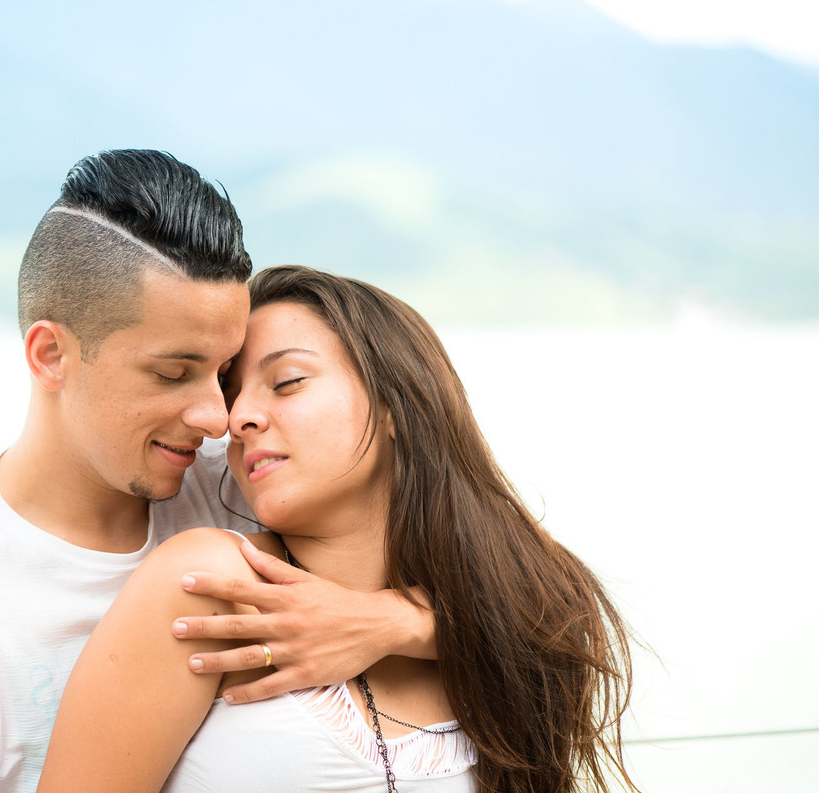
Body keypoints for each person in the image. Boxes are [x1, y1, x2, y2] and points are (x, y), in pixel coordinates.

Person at [0, 152, 438, 793]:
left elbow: (523, 583)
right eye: (171, 374)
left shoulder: (234, 486)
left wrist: (394, 622)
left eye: (223, 374)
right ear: (51, 355)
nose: (219, 418)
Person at [38, 265, 637, 793]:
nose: (237, 417)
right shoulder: (211, 583)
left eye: (288, 382)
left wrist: (396, 622)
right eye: (233, 392)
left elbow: (562, 626)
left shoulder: (500, 621)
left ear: (399, 403)